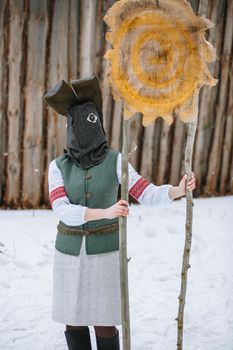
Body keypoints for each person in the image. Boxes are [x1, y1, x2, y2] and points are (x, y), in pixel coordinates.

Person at [44, 76, 196, 350]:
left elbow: (144, 192)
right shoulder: (58, 166)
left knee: (104, 321)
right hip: (68, 253)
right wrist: (105, 211)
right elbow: (61, 209)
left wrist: (177, 190)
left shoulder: (116, 161)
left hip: (105, 251)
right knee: (73, 320)